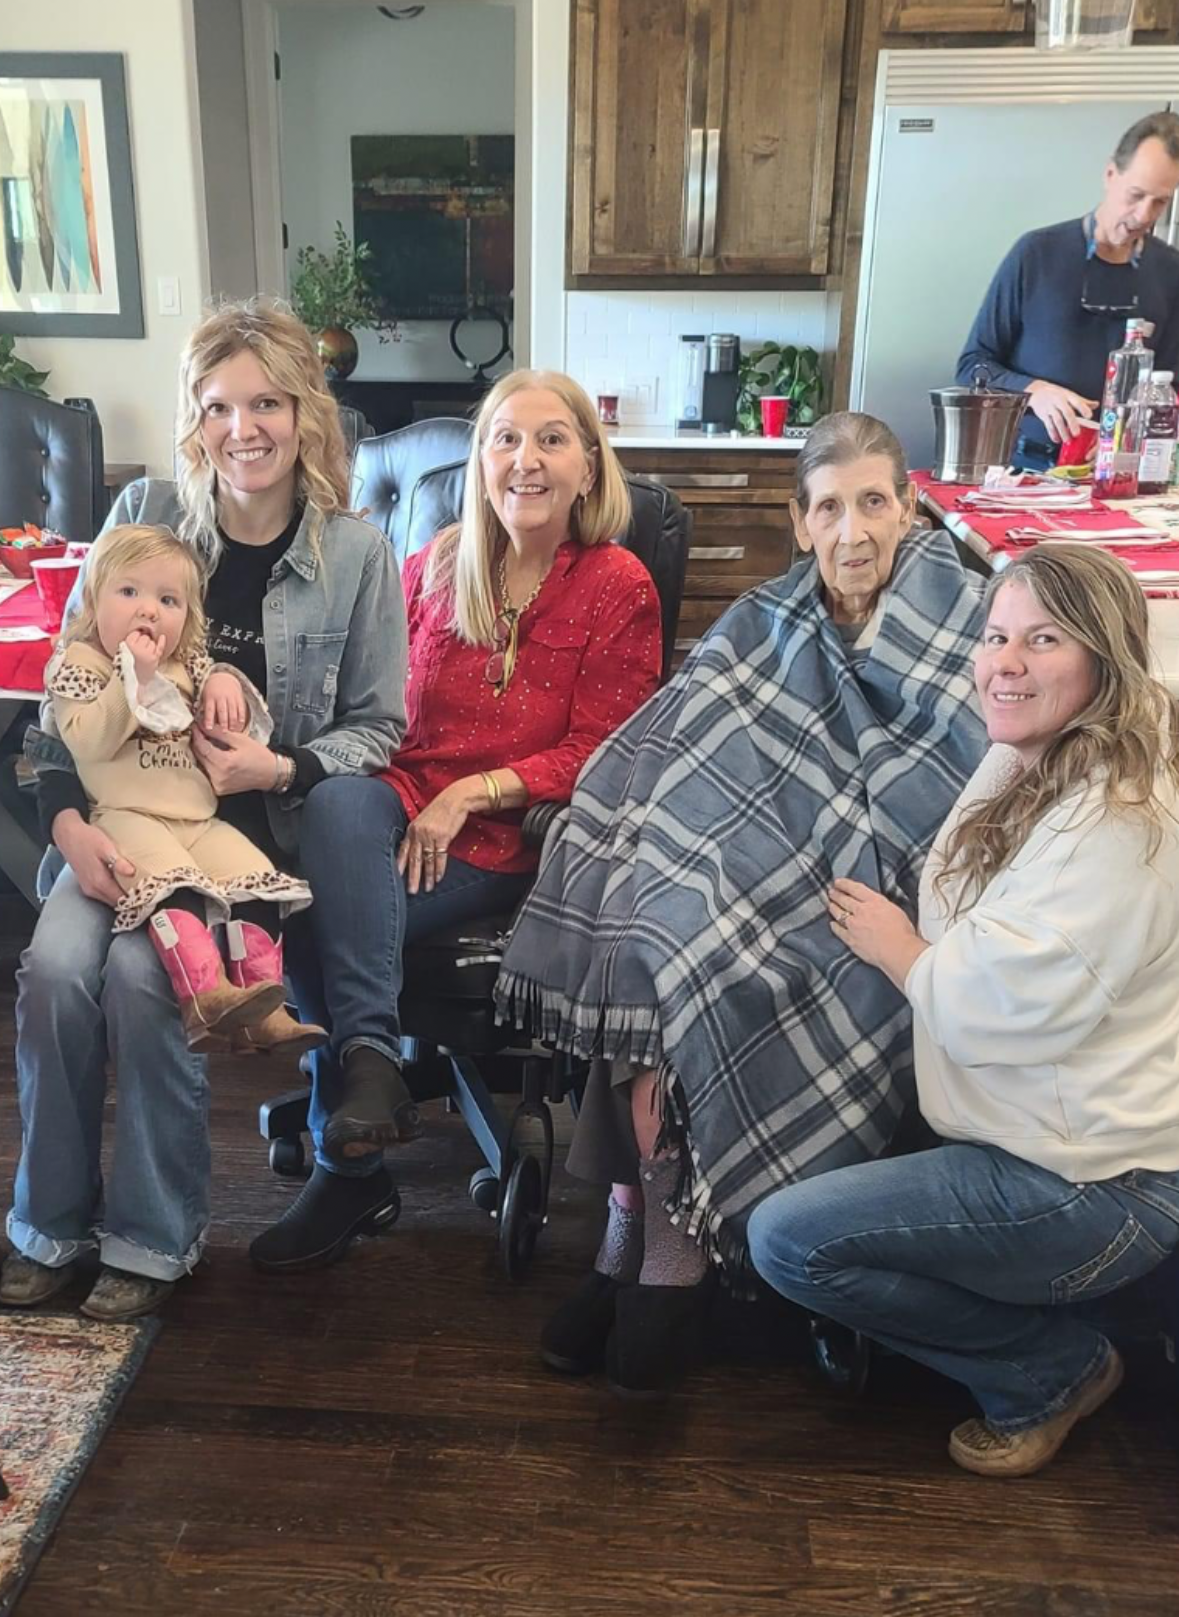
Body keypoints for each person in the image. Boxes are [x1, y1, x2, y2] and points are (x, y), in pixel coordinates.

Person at [496, 413, 988, 1399]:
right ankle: (630, 1234)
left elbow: (955, 786)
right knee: (645, 937)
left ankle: (672, 1251)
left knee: (707, 968)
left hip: (877, 893)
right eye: (829, 508)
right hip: (748, 861)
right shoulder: (767, 618)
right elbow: (673, 749)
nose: (854, 532)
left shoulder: (966, 617)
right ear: (800, 525)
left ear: (910, 509)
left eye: (875, 503)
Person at [2, 299, 408, 1319]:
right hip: (104, 827)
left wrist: (277, 768)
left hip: (228, 848)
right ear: (194, 418)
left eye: (267, 401)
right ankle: (48, 1227)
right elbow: (67, 685)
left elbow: (377, 728)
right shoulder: (143, 509)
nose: (245, 429)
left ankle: (152, 1239)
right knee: (54, 971)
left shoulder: (357, 554)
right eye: (220, 406)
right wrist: (67, 830)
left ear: (303, 413)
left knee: (143, 982)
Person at [747, 542, 1179, 1479]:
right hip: (1057, 1134)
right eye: (992, 636)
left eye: (1042, 640)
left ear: (1105, 661)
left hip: (1089, 1186)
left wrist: (897, 947)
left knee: (787, 1240)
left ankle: (1050, 1369)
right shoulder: (1052, 756)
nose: (1002, 663)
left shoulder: (1114, 829)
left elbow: (991, 1005)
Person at [238, 367, 664, 1271]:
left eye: (551, 439)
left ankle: (348, 1171)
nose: (525, 460)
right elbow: (370, 712)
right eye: (504, 439)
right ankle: (368, 1061)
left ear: (588, 466)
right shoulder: (430, 563)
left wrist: (471, 792)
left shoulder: (616, 583)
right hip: (386, 809)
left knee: (318, 919)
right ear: (479, 462)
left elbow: (609, 749)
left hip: (509, 836)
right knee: (336, 798)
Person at [46, 523, 321, 1049]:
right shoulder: (79, 664)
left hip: (197, 817)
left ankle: (261, 1004)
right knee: (178, 889)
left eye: (167, 599)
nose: (148, 610)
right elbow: (89, 743)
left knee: (255, 878)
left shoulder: (184, 665)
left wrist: (221, 677)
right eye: (129, 592)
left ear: (188, 619)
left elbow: (218, 695)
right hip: (127, 818)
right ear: (92, 601)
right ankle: (205, 997)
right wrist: (133, 679)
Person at [957, 109, 1179, 471]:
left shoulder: (1171, 271)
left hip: (1120, 475)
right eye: (1135, 195)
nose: (1143, 215)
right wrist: (1035, 392)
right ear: (1110, 174)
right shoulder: (1036, 253)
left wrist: (1130, 436)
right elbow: (973, 365)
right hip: (1022, 470)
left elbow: (1172, 385)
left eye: (1160, 202)